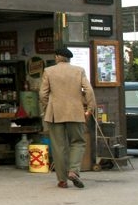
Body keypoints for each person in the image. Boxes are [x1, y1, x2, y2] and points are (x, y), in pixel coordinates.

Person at [39, 47, 96, 189]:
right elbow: (88, 90)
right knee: (78, 142)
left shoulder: (49, 71)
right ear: (69, 58)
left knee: (58, 146)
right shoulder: (79, 70)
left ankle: (62, 180)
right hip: (75, 112)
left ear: (57, 57)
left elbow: (42, 94)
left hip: (54, 114)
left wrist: (48, 107)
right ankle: (73, 171)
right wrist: (89, 109)